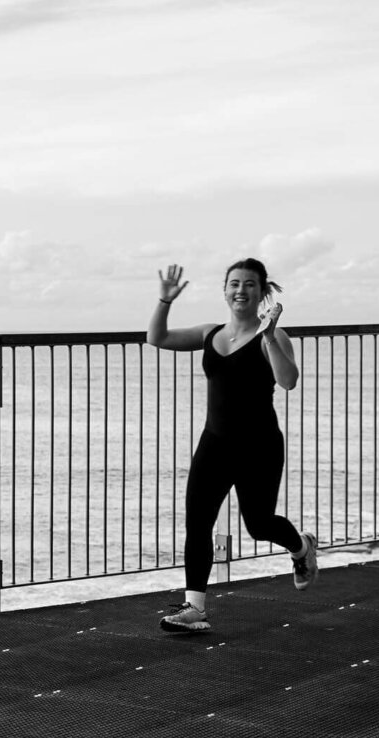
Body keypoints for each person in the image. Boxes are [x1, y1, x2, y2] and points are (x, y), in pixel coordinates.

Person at [147, 260, 318, 633]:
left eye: (250, 285)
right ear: (225, 290)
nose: (241, 290)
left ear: (262, 292)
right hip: (215, 443)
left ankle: (301, 547)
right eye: (234, 284)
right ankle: (194, 608)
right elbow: (156, 339)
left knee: (258, 525)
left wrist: (270, 335)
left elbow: (288, 381)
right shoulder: (211, 333)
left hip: (259, 446)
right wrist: (165, 301)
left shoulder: (272, 335)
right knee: (198, 522)